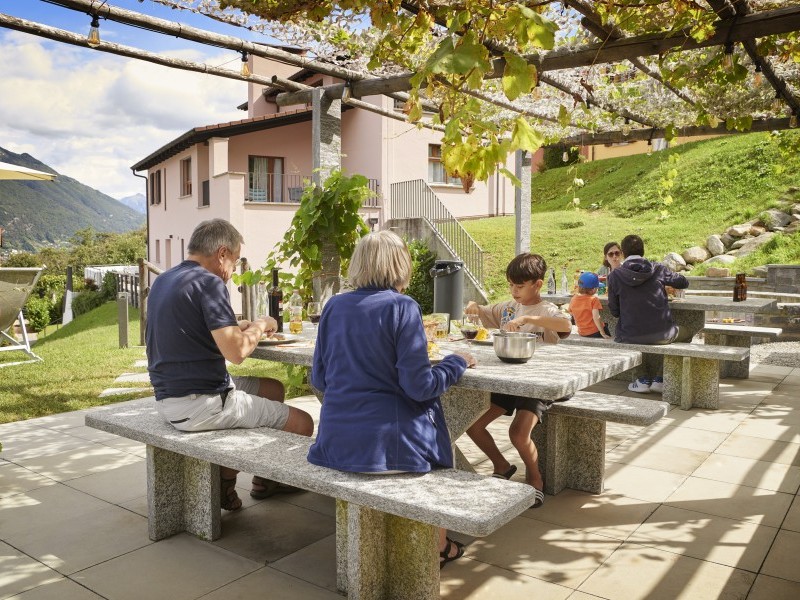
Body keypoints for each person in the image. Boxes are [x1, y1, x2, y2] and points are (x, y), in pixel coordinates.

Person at [307, 230, 476, 568]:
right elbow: (420, 387)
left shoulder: (335, 305)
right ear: (400, 264)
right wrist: (456, 361)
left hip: (335, 444)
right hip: (388, 447)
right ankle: (439, 545)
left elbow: (319, 378)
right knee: (442, 441)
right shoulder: (402, 307)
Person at [146, 218, 314, 511]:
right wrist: (261, 325)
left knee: (272, 388)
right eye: (234, 262)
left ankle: (258, 480)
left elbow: (194, 327)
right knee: (304, 423)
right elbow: (236, 352)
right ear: (222, 253)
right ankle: (231, 483)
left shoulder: (166, 279)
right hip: (202, 404)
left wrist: (238, 325)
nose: (232, 272)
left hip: (168, 397)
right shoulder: (209, 282)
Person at [463, 253, 572, 509]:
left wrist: (529, 319)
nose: (514, 290)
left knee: (518, 434)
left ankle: (535, 481)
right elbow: (481, 310)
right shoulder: (508, 308)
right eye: (511, 285)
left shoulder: (546, 310)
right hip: (508, 380)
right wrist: (472, 304)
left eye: (519, 286)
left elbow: (564, 324)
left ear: (537, 284)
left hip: (538, 384)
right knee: (472, 424)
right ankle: (501, 465)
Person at [607, 234, 691, 393]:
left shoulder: (615, 275)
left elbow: (615, 311)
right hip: (663, 334)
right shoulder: (658, 269)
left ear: (623, 253)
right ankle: (661, 377)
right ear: (643, 251)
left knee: (632, 335)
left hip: (629, 335)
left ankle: (642, 379)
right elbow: (683, 282)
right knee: (687, 332)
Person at [568, 272, 611, 339]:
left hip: (582, 332)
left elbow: (571, 312)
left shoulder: (574, 298)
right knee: (606, 327)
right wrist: (602, 332)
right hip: (595, 332)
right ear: (593, 289)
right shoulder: (593, 299)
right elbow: (596, 317)